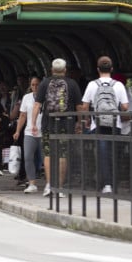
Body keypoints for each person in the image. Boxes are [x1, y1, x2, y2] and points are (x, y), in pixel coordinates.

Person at [31, 58, 82, 197]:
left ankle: (49, 185)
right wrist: (79, 122)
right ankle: (59, 187)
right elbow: (79, 106)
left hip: (48, 123)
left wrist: (33, 123)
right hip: (66, 124)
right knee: (62, 154)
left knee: (48, 154)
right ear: (65, 70)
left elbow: (37, 105)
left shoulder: (44, 83)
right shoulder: (72, 84)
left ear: (52, 70)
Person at [80, 56, 129, 194]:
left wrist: (87, 120)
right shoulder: (118, 85)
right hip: (115, 124)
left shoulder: (92, 85)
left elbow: (85, 106)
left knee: (102, 155)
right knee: (114, 155)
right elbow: (125, 107)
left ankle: (105, 184)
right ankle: (113, 183)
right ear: (111, 69)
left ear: (98, 69)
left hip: (98, 125)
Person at [14, 77, 43, 193]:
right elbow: (22, 116)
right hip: (29, 132)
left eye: (37, 84)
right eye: (33, 85)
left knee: (45, 159)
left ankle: (50, 183)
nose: (35, 87)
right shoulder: (26, 97)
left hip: (43, 131)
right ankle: (32, 183)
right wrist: (17, 131)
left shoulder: (46, 97)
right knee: (28, 157)